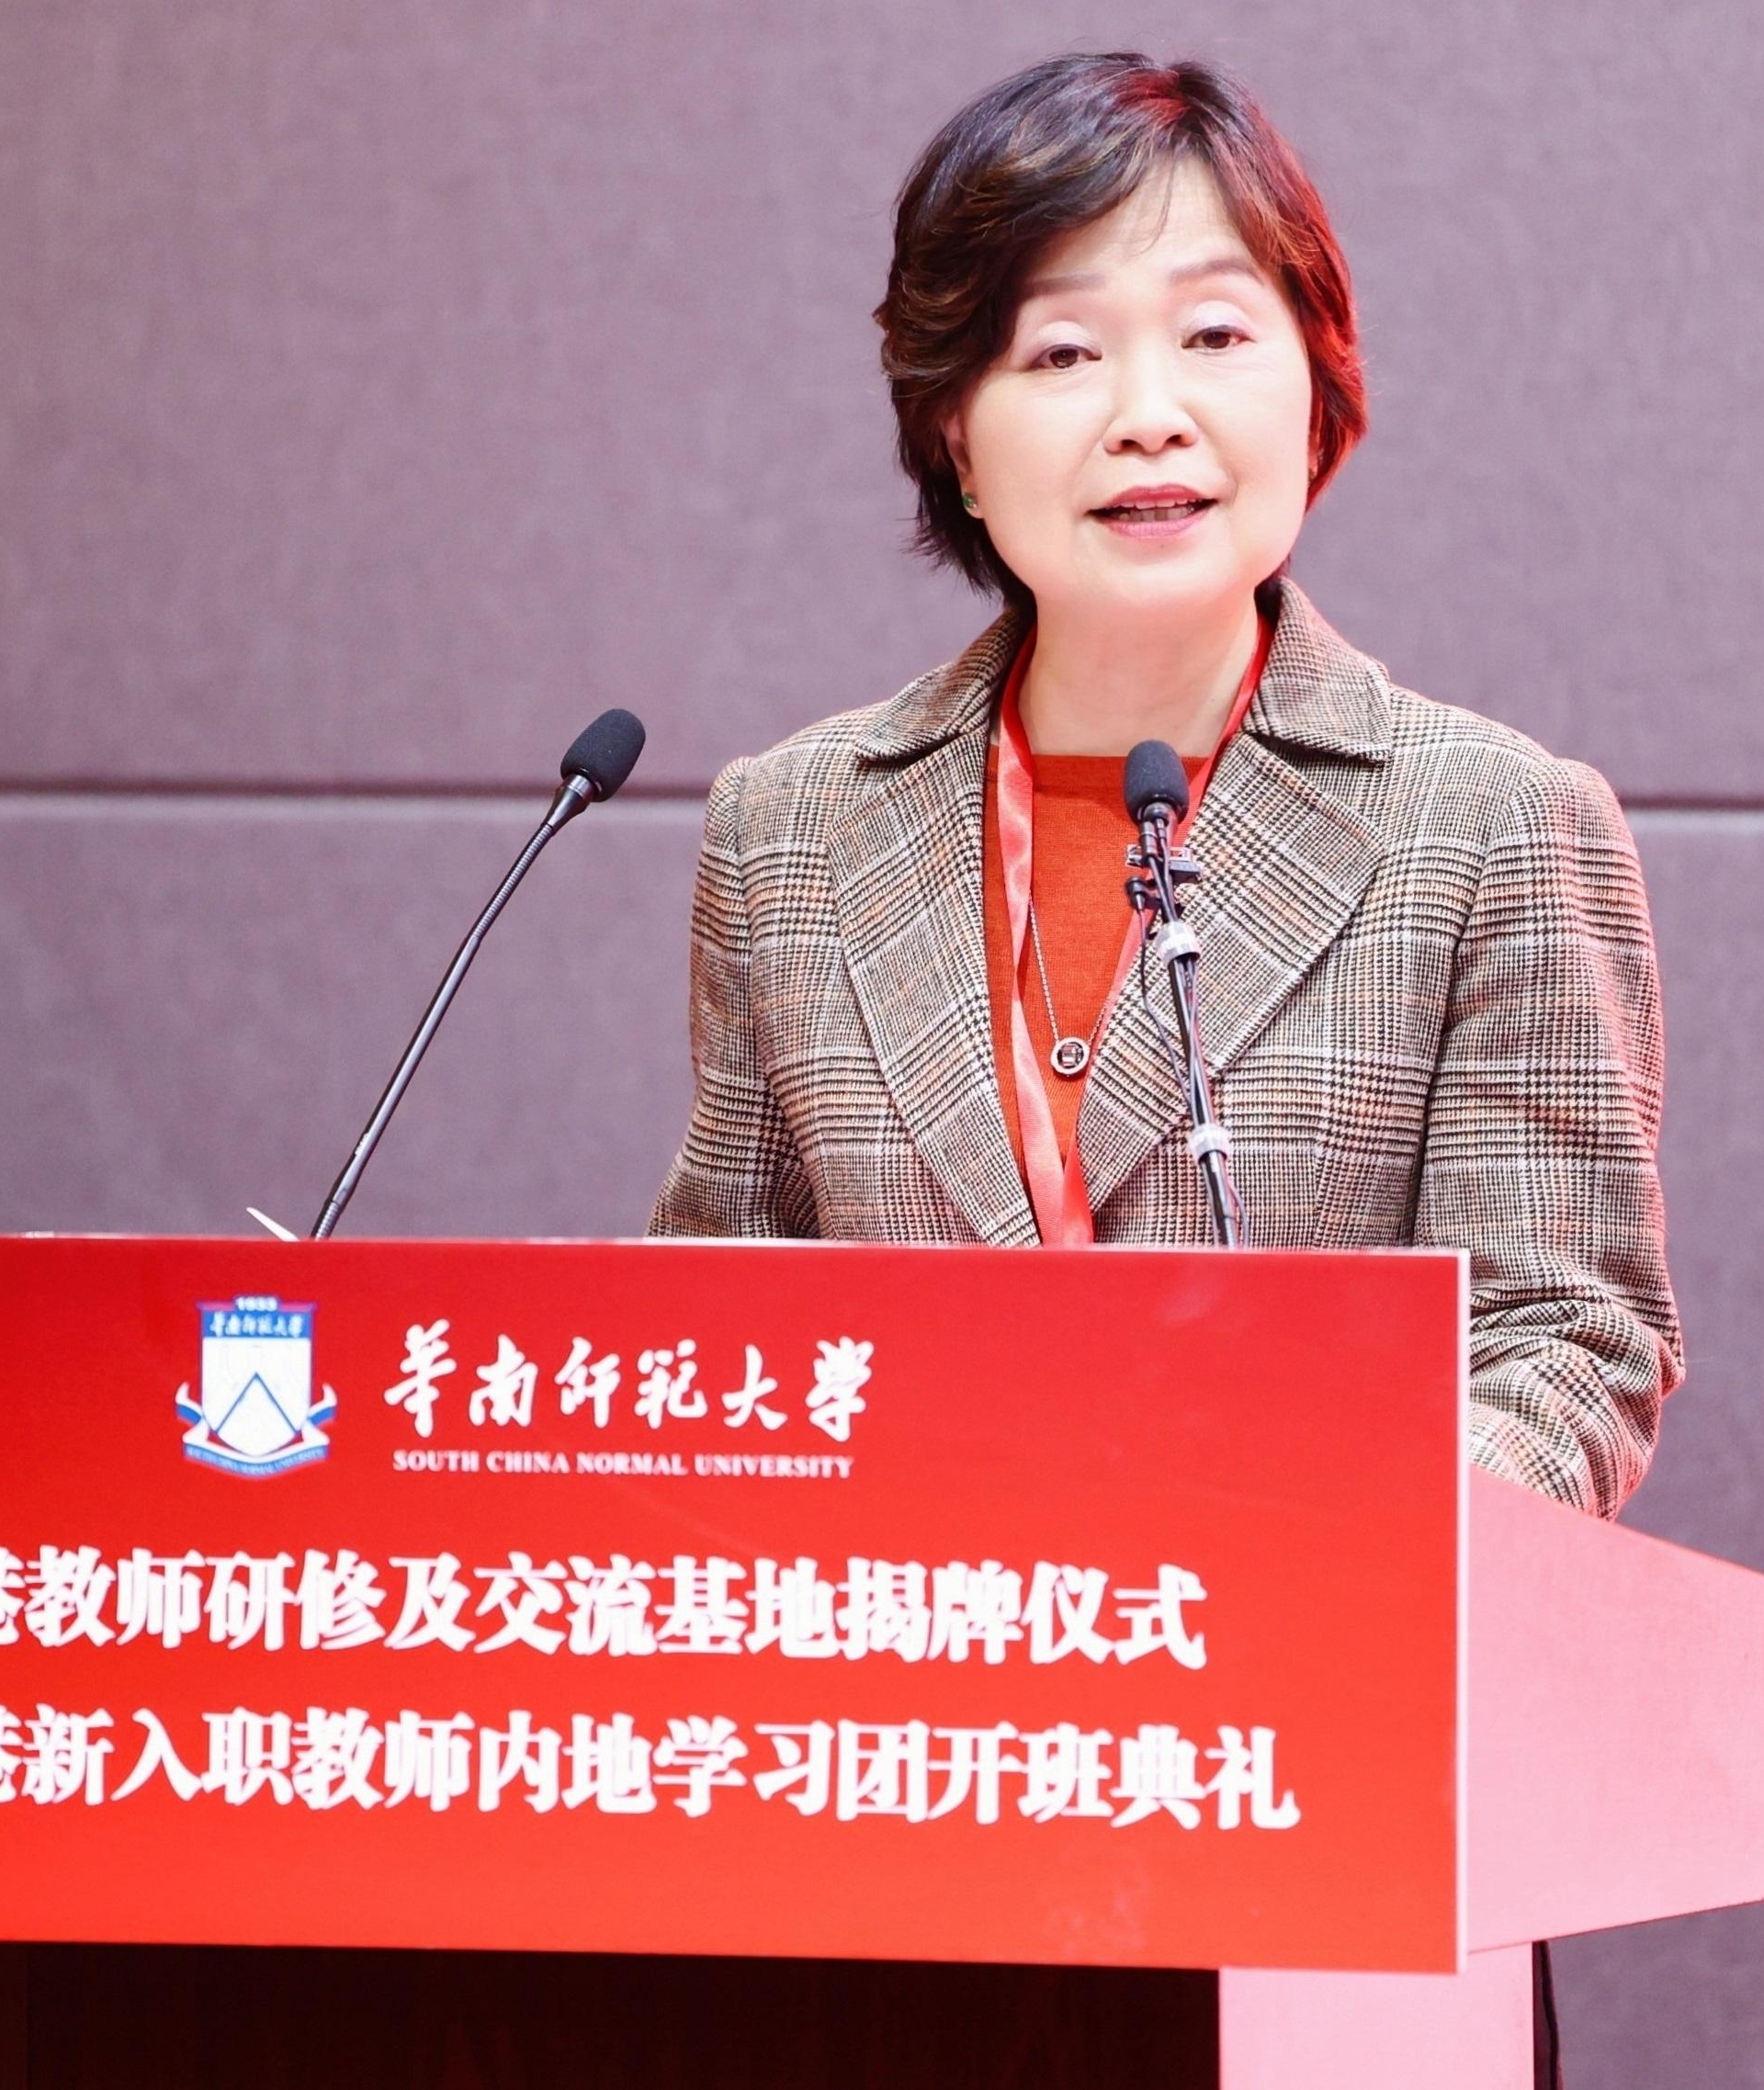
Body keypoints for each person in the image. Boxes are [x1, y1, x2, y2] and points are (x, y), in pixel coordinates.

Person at [649, 52, 1674, 2074]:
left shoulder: (1488, 823)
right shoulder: (786, 833)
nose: (1148, 411)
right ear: (951, 424)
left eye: (1216, 331)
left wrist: (1276, 1575)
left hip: (1327, 1818)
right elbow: (725, 1320)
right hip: (893, 1830)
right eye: (1058, 349)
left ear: (1314, 390)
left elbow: (1567, 1343)